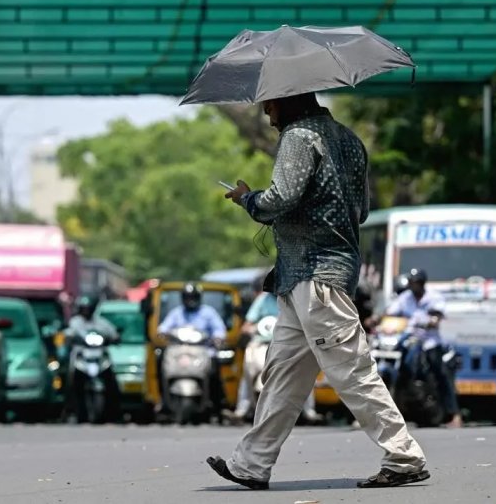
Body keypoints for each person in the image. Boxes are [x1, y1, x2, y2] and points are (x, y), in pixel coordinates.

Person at [208, 93, 428, 490]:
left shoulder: (299, 135)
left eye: (271, 105)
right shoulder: (350, 140)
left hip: (316, 278)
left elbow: (280, 198)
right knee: (283, 374)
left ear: (290, 102)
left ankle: (404, 455)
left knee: (352, 369)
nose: (267, 114)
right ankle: (252, 464)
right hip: (304, 278)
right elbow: (358, 211)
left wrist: (248, 199)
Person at [226, 291, 321, 424]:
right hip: (262, 343)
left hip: (289, 343)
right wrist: (253, 329)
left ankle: (309, 411)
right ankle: (241, 410)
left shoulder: (297, 298)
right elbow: (247, 325)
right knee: (248, 371)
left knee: (304, 372)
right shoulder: (263, 300)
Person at [386, 268, 462, 428]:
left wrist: (431, 321)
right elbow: (391, 313)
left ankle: (454, 414)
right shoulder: (405, 298)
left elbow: (437, 316)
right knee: (398, 371)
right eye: (412, 283)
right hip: (408, 340)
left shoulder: (433, 298)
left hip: (429, 341)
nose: (414, 286)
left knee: (441, 374)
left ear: (422, 284)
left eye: (417, 283)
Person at [157, 282, 227, 413]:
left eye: (193, 297)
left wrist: (218, 337)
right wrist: (162, 332)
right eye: (188, 297)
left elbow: (219, 330)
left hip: (203, 350)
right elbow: (164, 327)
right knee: (160, 360)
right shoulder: (176, 313)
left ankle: (218, 405)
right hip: (179, 350)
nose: (190, 300)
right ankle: (162, 399)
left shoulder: (208, 312)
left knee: (215, 370)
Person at [66, 296, 122, 422]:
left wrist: (115, 338)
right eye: (83, 308)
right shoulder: (75, 322)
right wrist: (70, 338)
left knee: (111, 382)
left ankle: (114, 413)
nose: (86, 311)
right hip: (82, 355)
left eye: (88, 308)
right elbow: (69, 333)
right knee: (73, 382)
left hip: (98, 355)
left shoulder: (101, 322)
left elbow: (113, 333)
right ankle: (72, 410)